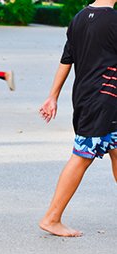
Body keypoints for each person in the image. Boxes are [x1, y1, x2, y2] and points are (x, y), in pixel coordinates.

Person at [38, 0, 117, 237]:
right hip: (103, 101)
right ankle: (51, 218)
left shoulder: (79, 18)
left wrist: (53, 96)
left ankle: (52, 217)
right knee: (82, 157)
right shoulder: (114, 21)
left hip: (90, 98)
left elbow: (66, 59)